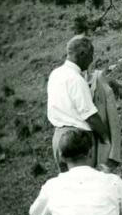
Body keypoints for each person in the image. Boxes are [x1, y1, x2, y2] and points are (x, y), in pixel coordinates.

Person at [47, 34, 110, 172]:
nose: (91, 60)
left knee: (69, 186)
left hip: (59, 138)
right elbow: (89, 114)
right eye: (90, 55)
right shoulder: (75, 79)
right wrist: (106, 137)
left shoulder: (55, 74)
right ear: (82, 54)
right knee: (86, 184)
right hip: (78, 140)